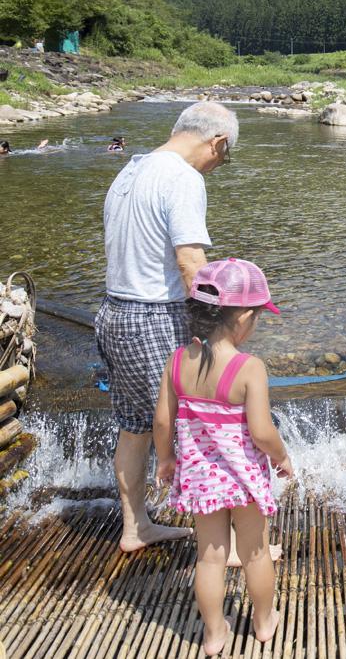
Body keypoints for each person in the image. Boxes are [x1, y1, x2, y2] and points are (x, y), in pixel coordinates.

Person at [97, 100, 238, 553]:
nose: (219, 165)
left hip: (115, 313)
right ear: (216, 142)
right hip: (155, 317)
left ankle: (136, 526)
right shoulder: (183, 177)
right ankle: (230, 545)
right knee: (203, 423)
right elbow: (191, 262)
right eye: (225, 155)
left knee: (136, 426)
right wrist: (219, 331)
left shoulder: (131, 170)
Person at [153, 258, 291, 655]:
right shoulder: (249, 368)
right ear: (244, 317)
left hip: (200, 479)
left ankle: (214, 635)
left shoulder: (177, 361)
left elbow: (162, 421)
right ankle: (264, 623)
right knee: (255, 552)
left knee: (210, 559)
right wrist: (281, 457)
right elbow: (263, 432)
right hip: (244, 481)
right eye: (258, 316)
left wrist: (166, 460)